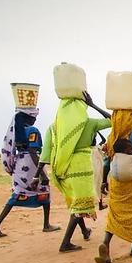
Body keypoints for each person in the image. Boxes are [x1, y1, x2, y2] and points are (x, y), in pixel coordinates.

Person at [34, 86, 111, 252]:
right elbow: (113, 120)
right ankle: (65, 243)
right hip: (82, 169)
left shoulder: (54, 128)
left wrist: (36, 176)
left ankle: (84, 230)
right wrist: (93, 105)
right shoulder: (89, 123)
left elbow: (45, 154)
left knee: (76, 202)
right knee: (79, 206)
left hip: (63, 169)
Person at [94, 76, 132, 263]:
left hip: (117, 182)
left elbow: (111, 120)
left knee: (115, 214)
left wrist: (93, 105)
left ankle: (105, 243)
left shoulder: (113, 138)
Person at [0, 105, 60, 238]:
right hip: (31, 165)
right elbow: (33, 152)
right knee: (44, 190)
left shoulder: (17, 132)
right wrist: (41, 174)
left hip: (19, 165)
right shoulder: (32, 130)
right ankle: (46, 225)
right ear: (29, 117)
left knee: (18, 194)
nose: (35, 120)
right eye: (34, 117)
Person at [91, 132, 108, 211]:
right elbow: (103, 139)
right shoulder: (95, 148)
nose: (94, 140)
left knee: (97, 185)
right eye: (93, 139)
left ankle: (100, 205)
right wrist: (97, 131)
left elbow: (104, 140)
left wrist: (96, 132)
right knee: (97, 185)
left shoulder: (95, 148)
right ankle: (99, 205)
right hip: (96, 169)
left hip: (96, 169)